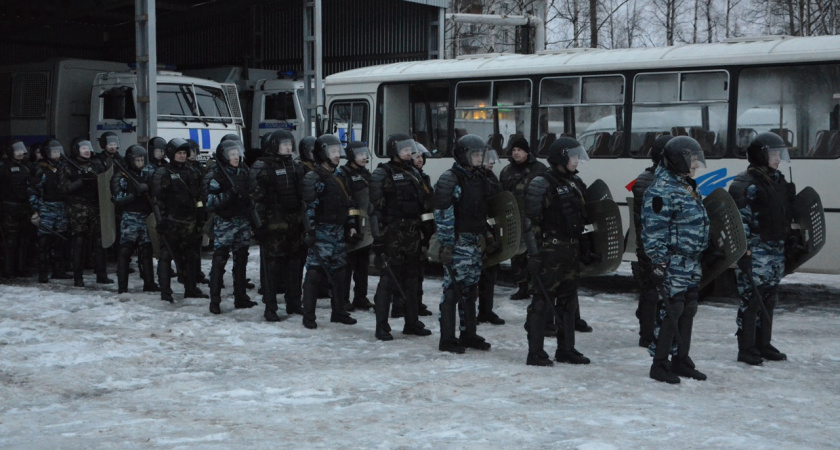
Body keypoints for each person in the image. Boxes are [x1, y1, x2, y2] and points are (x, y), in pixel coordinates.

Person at [642, 136, 709, 383]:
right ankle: (659, 363)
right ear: (678, 160)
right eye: (692, 159)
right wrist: (658, 263)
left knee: (688, 308)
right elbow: (654, 230)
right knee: (672, 308)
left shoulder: (687, 185)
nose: (696, 164)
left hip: (691, 260)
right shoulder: (661, 190)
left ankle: (681, 359)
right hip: (673, 261)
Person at [523, 137, 595, 366]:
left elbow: (584, 218)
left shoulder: (575, 183)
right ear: (561, 157)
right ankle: (535, 352)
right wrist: (534, 255)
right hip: (549, 252)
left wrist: (588, 248)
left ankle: (566, 349)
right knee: (541, 303)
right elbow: (530, 224)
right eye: (573, 156)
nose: (577, 161)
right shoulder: (541, 184)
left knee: (568, 303)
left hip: (570, 251)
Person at [729, 132, 795, 365]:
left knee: (769, 299)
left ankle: (763, 343)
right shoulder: (745, 183)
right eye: (774, 154)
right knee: (752, 300)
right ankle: (746, 347)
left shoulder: (777, 180)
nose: (778, 158)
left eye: (780, 153)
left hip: (775, 251)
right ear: (760, 155)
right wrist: (743, 253)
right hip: (755, 252)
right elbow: (739, 221)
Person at [369, 134, 433, 341]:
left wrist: (427, 232)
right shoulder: (381, 174)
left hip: (413, 233)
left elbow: (424, 204)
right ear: (394, 151)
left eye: (410, 149)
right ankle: (382, 327)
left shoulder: (415, 173)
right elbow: (375, 211)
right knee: (388, 280)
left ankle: (411, 322)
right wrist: (378, 239)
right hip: (392, 233)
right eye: (405, 149)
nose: (409, 153)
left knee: (413, 279)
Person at [434, 134, 493, 354]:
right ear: (463, 155)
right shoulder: (450, 179)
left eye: (480, 154)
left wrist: (487, 234)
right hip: (458, 243)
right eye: (474, 154)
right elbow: (443, 214)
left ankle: (468, 334)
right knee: (452, 291)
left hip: (474, 242)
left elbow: (480, 211)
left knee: (470, 290)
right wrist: (448, 245)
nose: (479, 158)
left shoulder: (479, 178)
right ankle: (447, 339)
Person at [300, 134, 358, 329]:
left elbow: (348, 203)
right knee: (315, 273)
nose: (336, 155)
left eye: (337, 151)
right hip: (322, 232)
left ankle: (339, 311)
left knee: (340, 273)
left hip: (338, 231)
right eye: (332, 151)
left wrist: (351, 225)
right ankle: (309, 316)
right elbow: (308, 207)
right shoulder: (313, 177)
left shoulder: (340, 176)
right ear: (322, 153)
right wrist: (310, 231)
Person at [249, 129, 306, 321]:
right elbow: (256, 199)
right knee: (273, 267)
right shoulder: (262, 167)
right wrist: (260, 225)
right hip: (273, 225)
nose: (288, 147)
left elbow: (303, 196)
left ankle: (294, 302)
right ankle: (271, 307)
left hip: (294, 224)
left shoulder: (296, 166)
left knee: (295, 265)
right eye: (284, 144)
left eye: (290, 144)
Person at [151, 138, 208, 302]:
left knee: (191, 257)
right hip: (171, 221)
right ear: (171, 154)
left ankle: (190, 289)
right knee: (166, 256)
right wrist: (161, 220)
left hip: (189, 222)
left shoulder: (192, 172)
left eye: (184, 153)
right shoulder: (162, 173)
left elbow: (198, 197)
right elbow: (157, 199)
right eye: (179, 153)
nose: (182, 156)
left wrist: (200, 214)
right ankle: (165, 292)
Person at [203, 139, 256, 314]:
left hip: (242, 221)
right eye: (231, 155)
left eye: (237, 154)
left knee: (241, 260)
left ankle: (240, 297)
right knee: (220, 260)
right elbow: (210, 202)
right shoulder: (217, 175)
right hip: (225, 223)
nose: (235, 157)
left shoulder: (244, 172)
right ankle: (215, 301)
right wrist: (229, 194)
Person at [632, 135, 673, 348]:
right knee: (651, 291)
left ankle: (650, 330)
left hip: (654, 246)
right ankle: (647, 335)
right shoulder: (649, 181)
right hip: (652, 247)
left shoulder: (660, 178)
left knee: (652, 290)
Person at [58, 139, 113, 287]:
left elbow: (106, 182)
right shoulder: (68, 166)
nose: (87, 150)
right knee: (79, 241)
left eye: (88, 147)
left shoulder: (96, 164)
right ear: (76, 150)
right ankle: (78, 278)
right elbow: (64, 188)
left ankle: (101, 275)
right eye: (83, 148)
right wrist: (81, 181)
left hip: (95, 206)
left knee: (100, 241)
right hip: (77, 208)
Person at [499, 135, 546, 300]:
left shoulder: (539, 169)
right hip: (515, 219)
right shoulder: (506, 171)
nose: (516, 153)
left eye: (519, 150)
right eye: (514, 150)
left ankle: (536, 286)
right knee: (517, 256)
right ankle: (522, 286)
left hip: (534, 220)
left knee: (535, 254)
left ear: (527, 152)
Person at [111, 145, 159, 293]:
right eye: (137, 160)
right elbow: (117, 199)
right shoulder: (121, 175)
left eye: (142, 160)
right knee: (126, 251)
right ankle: (122, 286)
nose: (140, 162)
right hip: (130, 216)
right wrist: (135, 193)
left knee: (147, 250)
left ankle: (149, 282)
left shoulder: (149, 173)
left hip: (146, 216)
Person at [31, 140, 72, 282]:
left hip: (61, 207)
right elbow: (33, 191)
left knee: (59, 241)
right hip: (46, 207)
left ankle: (58, 270)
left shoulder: (64, 166)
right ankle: (43, 273)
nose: (57, 154)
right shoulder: (40, 169)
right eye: (53, 151)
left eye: (58, 151)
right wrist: (35, 211)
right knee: (44, 242)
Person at [341, 141, 375, 312]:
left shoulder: (365, 174)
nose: (364, 157)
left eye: (365, 153)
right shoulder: (345, 174)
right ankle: (343, 299)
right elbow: (348, 202)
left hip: (365, 226)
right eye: (360, 154)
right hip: (352, 225)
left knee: (363, 264)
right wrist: (351, 225)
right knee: (347, 265)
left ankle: (360, 297)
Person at [476, 148, 505, 325]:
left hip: (492, 229)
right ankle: (472, 313)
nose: (492, 162)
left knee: (490, 272)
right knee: (476, 274)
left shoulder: (491, 177)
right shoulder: (477, 178)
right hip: (480, 231)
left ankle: (486, 310)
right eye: (488, 159)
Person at [1, 141, 36, 278]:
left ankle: (21, 267)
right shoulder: (4, 168)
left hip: (24, 207)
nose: (21, 153)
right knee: (11, 240)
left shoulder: (27, 167)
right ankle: (8, 269)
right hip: (9, 207)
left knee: (24, 239)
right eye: (17, 151)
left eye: (22, 150)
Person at [410, 143, 435, 317]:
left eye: (421, 157)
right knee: (409, 270)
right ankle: (404, 303)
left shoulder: (423, 177)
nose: (419, 160)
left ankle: (417, 302)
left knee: (419, 269)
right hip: (412, 229)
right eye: (416, 156)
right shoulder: (410, 177)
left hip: (423, 228)